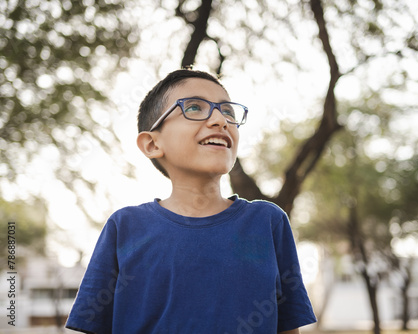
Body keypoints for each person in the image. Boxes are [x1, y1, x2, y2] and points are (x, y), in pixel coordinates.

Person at [65, 69, 316, 333]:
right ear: (152, 144)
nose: (221, 120)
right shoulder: (124, 227)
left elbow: (288, 326)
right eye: (195, 107)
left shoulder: (268, 222)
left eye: (228, 112)